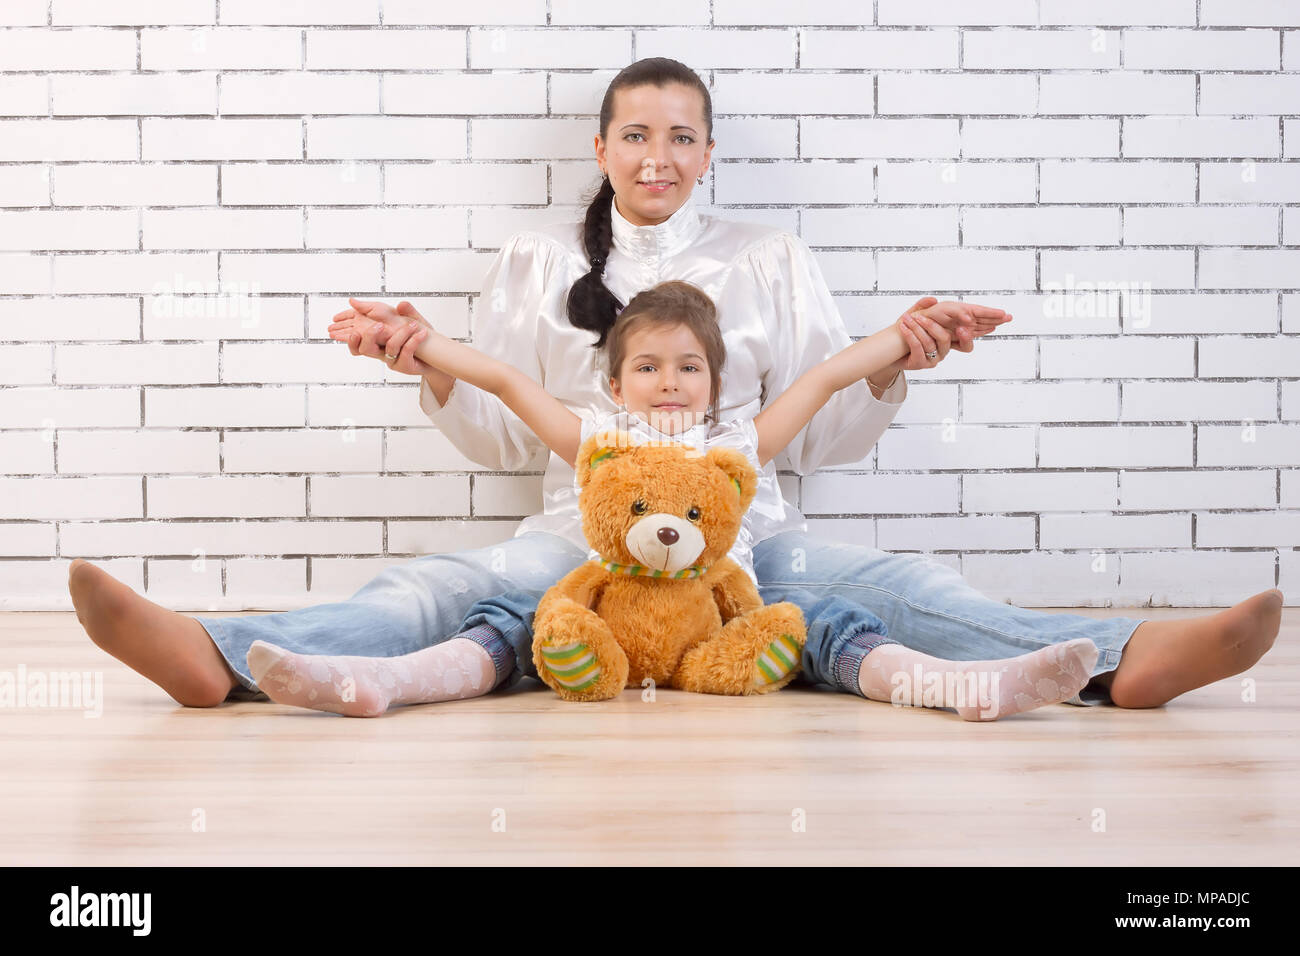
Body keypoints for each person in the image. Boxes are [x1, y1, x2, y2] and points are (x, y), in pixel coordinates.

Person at [68, 57, 1283, 713]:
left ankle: (1125, 656)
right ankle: (219, 654)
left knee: (902, 586)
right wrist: (421, 357)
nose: (659, 156)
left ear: (710, 151)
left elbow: (820, 426)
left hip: (753, 538)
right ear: (600, 150)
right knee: (443, 586)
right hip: (579, 539)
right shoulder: (538, 261)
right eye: (635, 135)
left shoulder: (769, 256)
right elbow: (506, 432)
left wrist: (903, 349)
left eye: (683, 135)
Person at [246, 279, 1100, 719]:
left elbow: (833, 372)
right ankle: (382, 681)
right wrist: (417, 341)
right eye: (648, 368)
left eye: (689, 367)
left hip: (713, 624)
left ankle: (963, 687)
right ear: (614, 386)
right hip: (608, 616)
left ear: (715, 383)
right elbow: (505, 379)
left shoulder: (733, 445)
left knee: (824, 623)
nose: (669, 382)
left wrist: (914, 333)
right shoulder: (597, 440)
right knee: (514, 621)